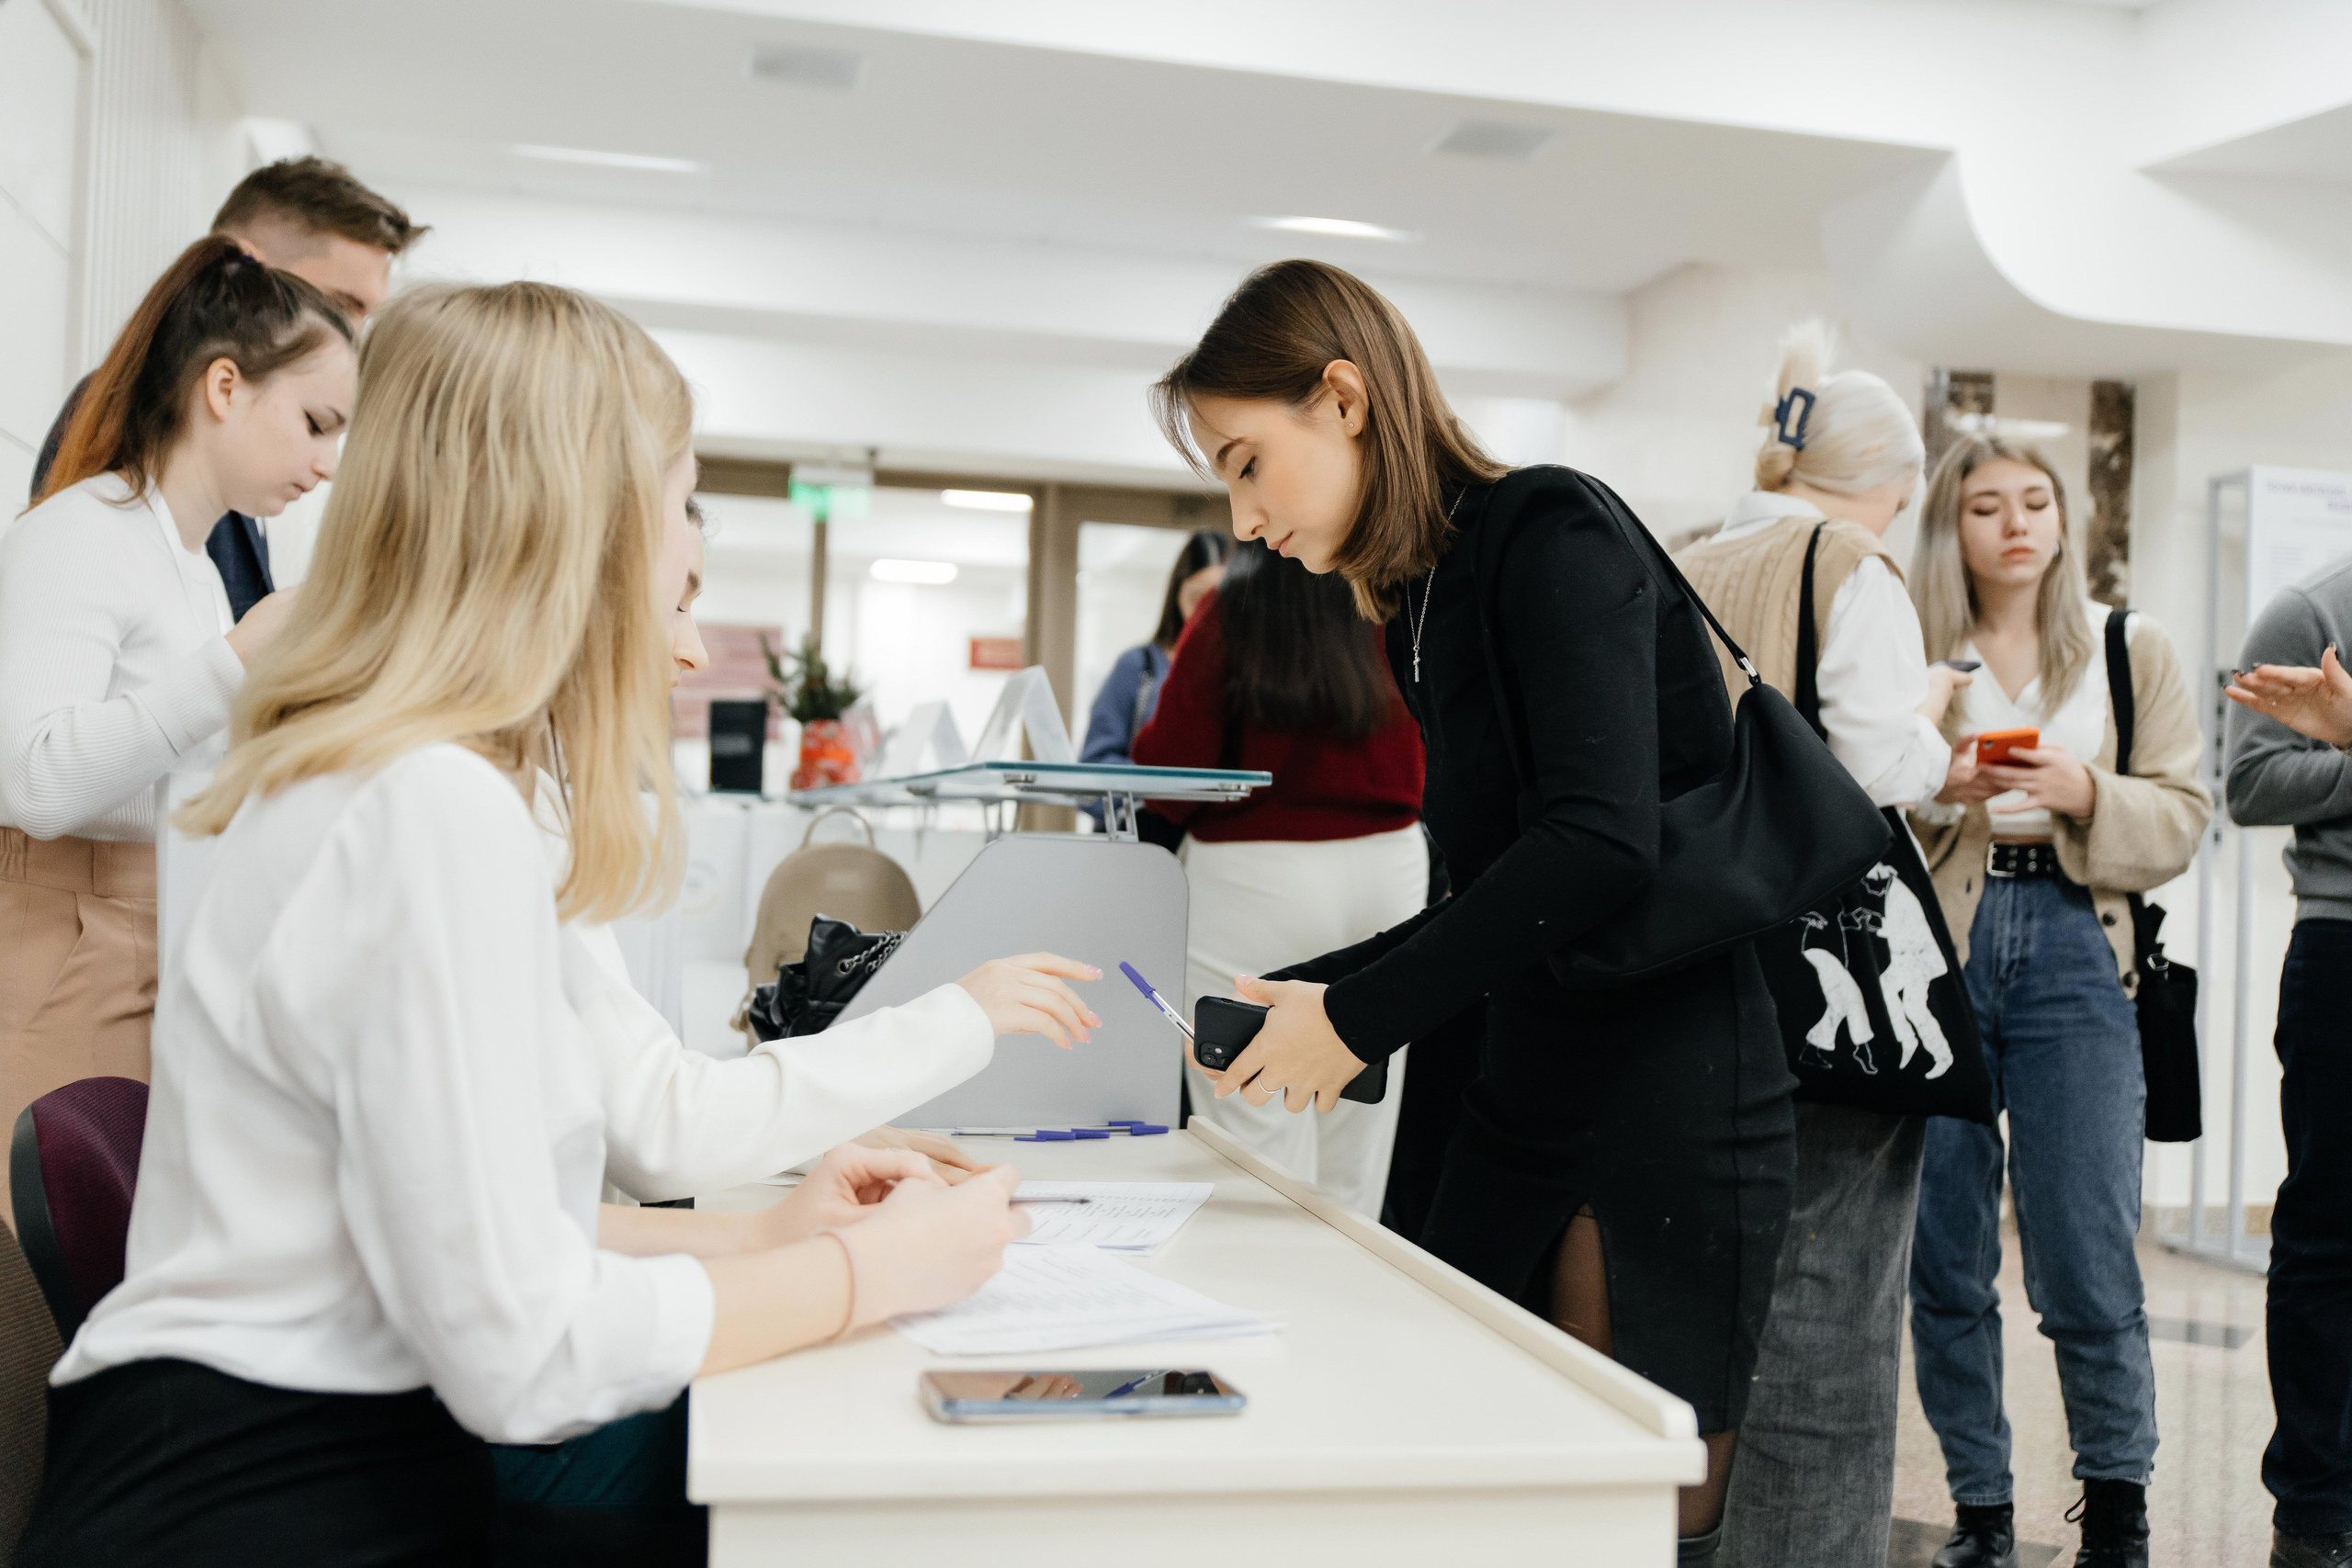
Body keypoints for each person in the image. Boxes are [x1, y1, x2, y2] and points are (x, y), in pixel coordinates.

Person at [14, 281, 1092, 1567]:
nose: (689, 640)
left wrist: (763, 1233)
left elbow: (461, 1216)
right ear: (567, 540)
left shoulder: (347, 768)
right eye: (672, 563)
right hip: (276, 1504)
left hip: (239, 1464)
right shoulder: (426, 805)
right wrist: (878, 1272)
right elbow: (520, 1350)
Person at [1148, 259, 1794, 1566]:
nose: (1245, 514)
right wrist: (1323, 991)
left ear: (1342, 400)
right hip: (1517, 1077)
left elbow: (1600, 845)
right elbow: (1493, 879)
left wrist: (1360, 1012)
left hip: (1654, 1093)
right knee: (1474, 1476)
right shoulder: (1413, 600)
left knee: (1607, 1508)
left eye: (1248, 461)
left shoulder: (1549, 530)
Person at [1672, 322, 1962, 1568]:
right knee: (1831, 1303)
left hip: (1685, 971)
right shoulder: (1851, 565)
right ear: (1896, 480)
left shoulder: (1682, 557)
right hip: (1823, 984)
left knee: (1701, 1306)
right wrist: (1939, 729)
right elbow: (1878, 761)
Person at [0, 236, 355, 1226]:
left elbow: (179, 775)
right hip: (64, 951)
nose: (328, 465)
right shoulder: (80, 534)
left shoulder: (194, 568)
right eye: (316, 423)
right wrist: (235, 665)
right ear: (226, 387)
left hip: (152, 942)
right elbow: (33, 781)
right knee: (32, 1292)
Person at [1904, 435, 2209, 1568]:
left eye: (2037, 503)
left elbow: (2181, 814)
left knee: (2085, 1248)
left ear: (2064, 520)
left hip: (2083, 946)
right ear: (1954, 527)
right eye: (1987, 506)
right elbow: (1864, 811)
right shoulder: (1916, 655)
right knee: (1943, 1255)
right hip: (1942, 948)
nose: (2017, 524)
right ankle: (1979, 1510)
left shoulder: (2130, 648)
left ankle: (2116, 1510)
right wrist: (1948, 785)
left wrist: (2084, 789)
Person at [1130, 537, 1427, 1215]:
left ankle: (1264, 1305)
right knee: (1359, 1118)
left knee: (1252, 1120)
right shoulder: (1393, 598)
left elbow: (1170, 766)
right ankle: (1344, 1306)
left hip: (1254, 872)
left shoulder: (1232, 608)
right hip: (1392, 866)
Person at [30, 155, 426, 617]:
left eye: (367, 315)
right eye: (339, 304)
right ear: (248, 268)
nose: (354, 336)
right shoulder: (115, 435)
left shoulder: (247, 466)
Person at [2224, 573, 2352, 1568]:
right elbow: (2252, 784)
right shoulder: (2308, 615)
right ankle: (2311, 1512)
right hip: (2343, 949)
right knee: (2324, 1235)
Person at [1080, 527, 1230, 841]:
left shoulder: (1248, 674)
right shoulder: (1139, 666)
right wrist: (1159, 786)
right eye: (1197, 597)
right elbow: (1093, 765)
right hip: (1146, 837)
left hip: (1216, 840)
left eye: (1220, 598)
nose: (1208, 612)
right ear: (1177, 596)